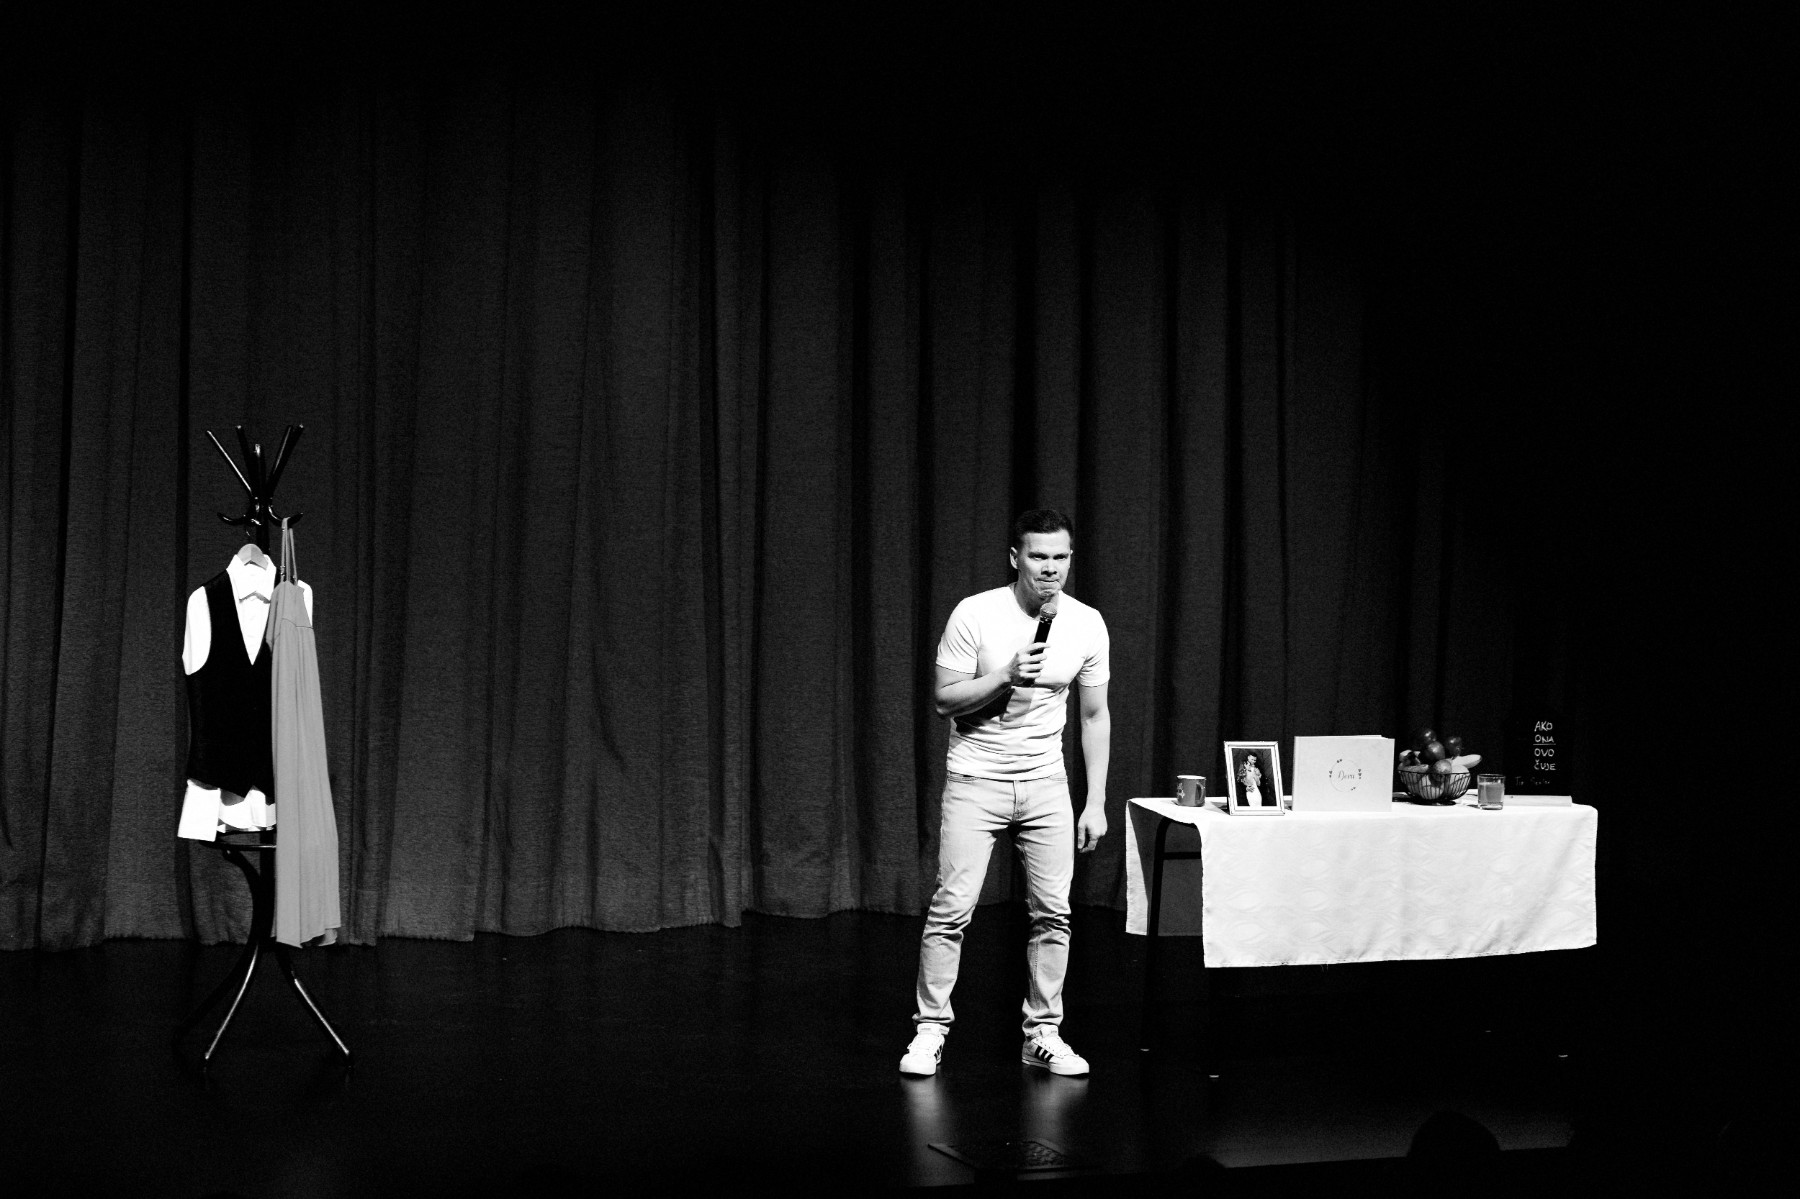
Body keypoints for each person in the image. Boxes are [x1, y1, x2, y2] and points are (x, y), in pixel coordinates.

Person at [899, 509, 1110, 1077]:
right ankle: (929, 1030)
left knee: (1054, 914)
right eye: (1038, 556)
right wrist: (1004, 676)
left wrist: (1094, 802)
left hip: (1047, 784)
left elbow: (1095, 716)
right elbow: (943, 700)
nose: (1050, 568)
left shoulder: (1087, 623)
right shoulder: (976, 614)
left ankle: (1042, 1033)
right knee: (951, 910)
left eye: (1060, 557)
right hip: (976, 780)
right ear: (1016, 558)